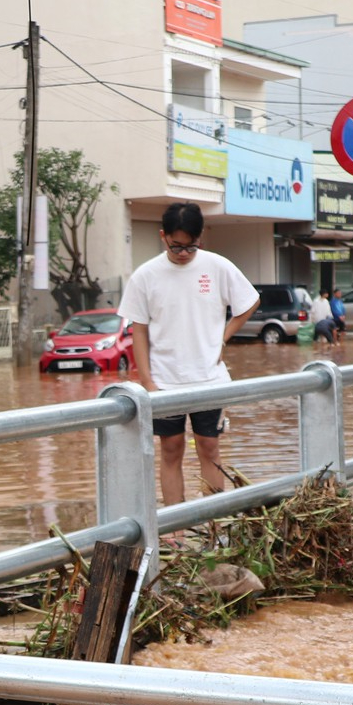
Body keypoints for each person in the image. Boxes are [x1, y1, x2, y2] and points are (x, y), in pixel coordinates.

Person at [119, 202, 259, 507]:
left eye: (191, 247)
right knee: (171, 450)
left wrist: (224, 337)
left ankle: (212, 527)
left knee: (209, 447)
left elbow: (250, 301)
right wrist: (147, 382)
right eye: (177, 246)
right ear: (163, 236)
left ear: (201, 239)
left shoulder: (218, 267)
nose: (183, 253)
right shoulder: (146, 276)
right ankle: (177, 534)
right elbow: (138, 331)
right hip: (165, 381)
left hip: (209, 378)